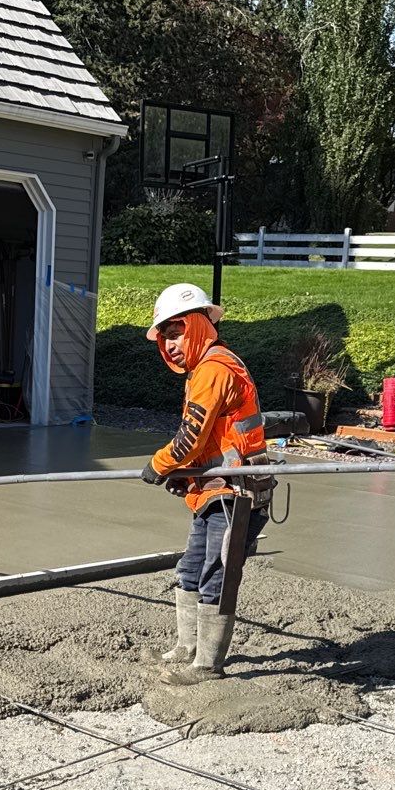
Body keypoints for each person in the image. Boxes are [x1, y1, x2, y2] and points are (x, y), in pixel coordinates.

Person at [139, 282, 274, 685]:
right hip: (213, 489)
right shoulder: (205, 370)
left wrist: (159, 465)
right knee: (191, 568)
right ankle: (186, 648)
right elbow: (210, 440)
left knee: (218, 572)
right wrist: (190, 476)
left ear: (200, 324)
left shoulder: (214, 369)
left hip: (238, 492)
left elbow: (189, 438)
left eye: (177, 331)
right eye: (165, 336)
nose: (171, 343)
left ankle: (207, 666)